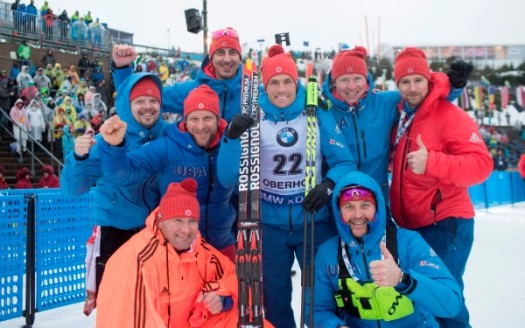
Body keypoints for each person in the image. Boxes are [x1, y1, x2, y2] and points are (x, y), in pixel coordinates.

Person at [217, 45, 356, 327]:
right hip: (269, 225)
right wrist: (231, 139)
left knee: (321, 295)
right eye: (274, 83)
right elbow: (226, 178)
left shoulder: (316, 113)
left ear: (297, 82)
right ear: (265, 87)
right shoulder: (254, 117)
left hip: (313, 222)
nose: (281, 89)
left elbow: (345, 162)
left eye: (287, 82)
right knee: (274, 300)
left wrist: (328, 185)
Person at [389, 47, 493, 328]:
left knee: (445, 300)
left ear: (429, 80)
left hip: (446, 223)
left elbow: (481, 165)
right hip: (414, 226)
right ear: (397, 84)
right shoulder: (402, 115)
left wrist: (432, 162)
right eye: (405, 82)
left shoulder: (449, 115)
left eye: (418, 80)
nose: (412, 88)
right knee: (425, 301)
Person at [60, 73, 166, 315]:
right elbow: (72, 190)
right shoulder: (105, 139)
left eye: (153, 101)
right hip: (115, 235)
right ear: (128, 105)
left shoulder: (168, 136)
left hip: (157, 234)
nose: (147, 107)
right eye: (139, 101)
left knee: (155, 306)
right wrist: (78, 158)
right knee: (116, 306)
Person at [97, 84, 241, 263]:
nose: (201, 126)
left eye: (208, 118)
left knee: (227, 291)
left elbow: (238, 181)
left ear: (218, 119)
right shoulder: (167, 147)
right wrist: (114, 146)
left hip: (222, 245)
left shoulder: (231, 143)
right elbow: (121, 173)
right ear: (185, 120)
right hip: (178, 249)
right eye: (194, 118)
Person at [305, 171, 462, 327]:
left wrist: (403, 279)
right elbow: (315, 311)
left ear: (378, 207)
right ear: (339, 212)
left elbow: (452, 304)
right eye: (349, 206)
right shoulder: (327, 253)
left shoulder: (408, 242)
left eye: (365, 205)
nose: (358, 214)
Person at [321, 46, 470, 203]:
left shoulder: (384, 102)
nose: (351, 86)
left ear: (366, 79)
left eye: (357, 78)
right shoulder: (323, 109)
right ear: (334, 81)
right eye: (344, 79)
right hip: (337, 198)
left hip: (376, 198)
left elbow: (423, 98)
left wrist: (453, 87)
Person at [96, 178, 239, 327]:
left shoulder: (201, 251)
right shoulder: (135, 262)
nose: (186, 230)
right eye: (178, 220)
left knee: (240, 319)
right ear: (161, 222)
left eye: (192, 221)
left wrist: (222, 298)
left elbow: (235, 279)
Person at [111, 26, 244, 122]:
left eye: (232, 52)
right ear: (211, 58)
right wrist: (122, 68)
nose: (227, 59)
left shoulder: (253, 92)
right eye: (220, 53)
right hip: (198, 160)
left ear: (240, 58)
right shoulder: (191, 90)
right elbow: (136, 98)